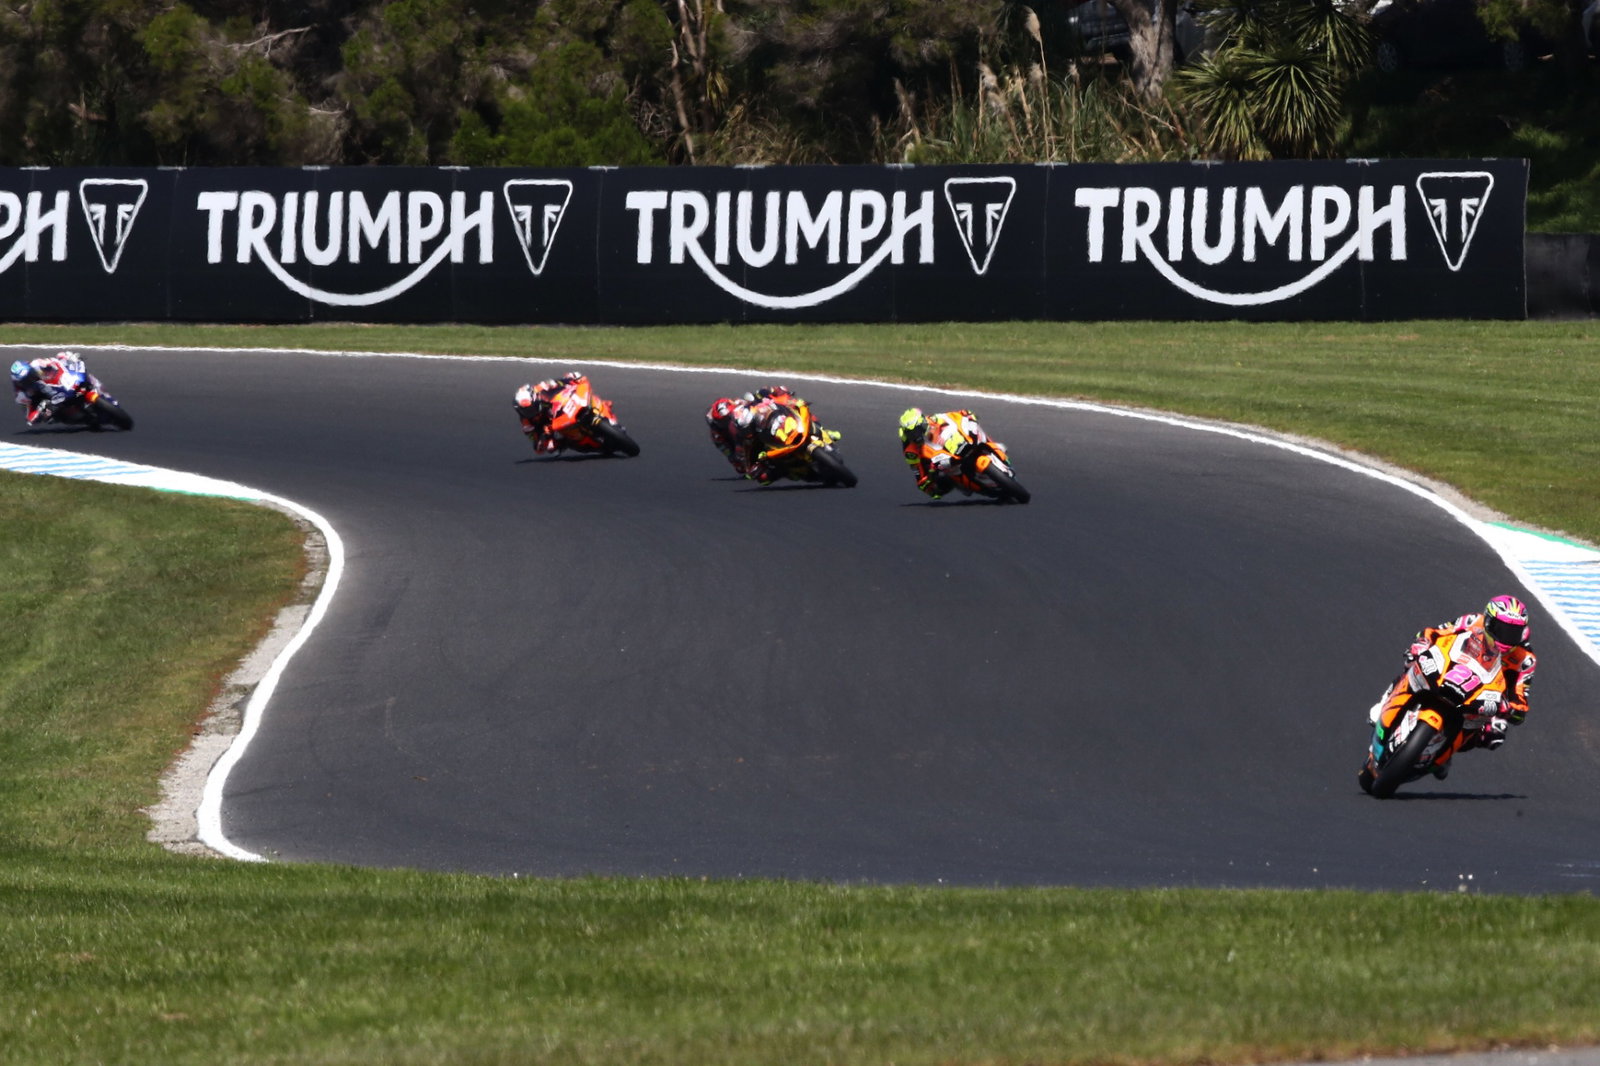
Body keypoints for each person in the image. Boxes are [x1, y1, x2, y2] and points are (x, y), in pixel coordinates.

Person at [1370, 594, 1536, 780]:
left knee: (1494, 733)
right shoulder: (1472, 621)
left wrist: (1510, 709)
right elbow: (1434, 632)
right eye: (1501, 629)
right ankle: (1387, 699)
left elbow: (1520, 701)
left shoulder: (1524, 660)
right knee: (1412, 662)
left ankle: (1445, 753)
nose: (1506, 638)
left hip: (1483, 697)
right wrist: (1421, 643)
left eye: (1513, 633)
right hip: (1451, 670)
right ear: (1488, 622)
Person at [897, 407, 989, 499]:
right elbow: (918, 473)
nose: (915, 436)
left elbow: (950, 417)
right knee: (940, 487)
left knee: (973, 427)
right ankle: (977, 487)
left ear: (922, 423)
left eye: (917, 430)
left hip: (954, 444)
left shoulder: (932, 419)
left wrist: (964, 414)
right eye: (911, 433)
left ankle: (992, 449)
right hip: (941, 462)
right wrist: (929, 479)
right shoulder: (910, 452)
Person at [731, 385, 802, 484]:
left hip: (780, 419)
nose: (747, 432)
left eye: (748, 428)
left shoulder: (758, 400)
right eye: (745, 430)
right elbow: (748, 464)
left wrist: (783, 393)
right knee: (763, 478)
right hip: (775, 449)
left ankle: (823, 430)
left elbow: (777, 390)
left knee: (801, 406)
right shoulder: (747, 442)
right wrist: (754, 468)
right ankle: (788, 472)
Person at [513, 371, 584, 455]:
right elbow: (536, 442)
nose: (529, 412)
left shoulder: (539, 388)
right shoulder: (526, 422)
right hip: (551, 425)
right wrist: (542, 438)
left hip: (560, 406)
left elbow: (556, 382)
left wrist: (570, 379)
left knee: (575, 381)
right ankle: (567, 443)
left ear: (535, 399)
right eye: (524, 410)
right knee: (550, 448)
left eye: (530, 408)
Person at [10, 352, 85, 426]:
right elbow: (30, 418)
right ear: (19, 382)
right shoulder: (21, 394)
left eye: (30, 374)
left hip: (60, 384)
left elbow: (54, 361)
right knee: (50, 417)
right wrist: (40, 412)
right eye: (25, 380)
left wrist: (69, 358)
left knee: (61, 355)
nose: (30, 379)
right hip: (51, 402)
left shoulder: (37, 363)